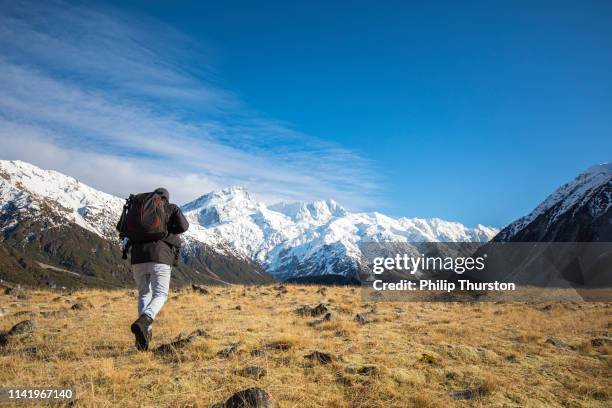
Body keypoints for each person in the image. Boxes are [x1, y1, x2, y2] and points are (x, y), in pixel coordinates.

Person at [128, 187, 189, 351]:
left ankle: (144, 338)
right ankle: (145, 320)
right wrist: (168, 230)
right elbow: (183, 227)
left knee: (144, 294)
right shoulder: (170, 207)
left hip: (137, 257)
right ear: (166, 198)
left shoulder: (138, 207)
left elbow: (123, 228)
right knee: (160, 294)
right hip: (160, 257)